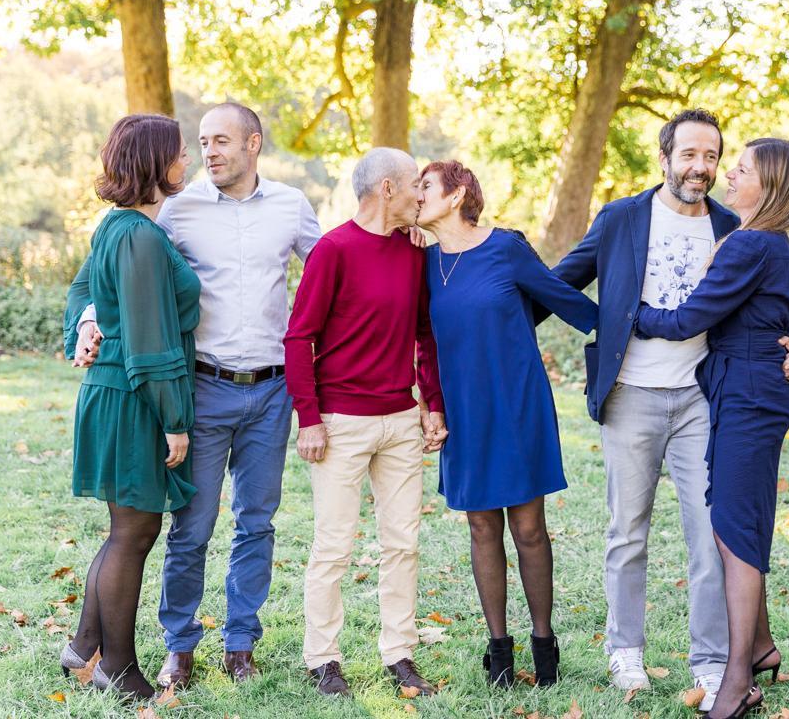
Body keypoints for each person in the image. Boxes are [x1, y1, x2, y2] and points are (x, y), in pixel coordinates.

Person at [543, 109, 789, 710]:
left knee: (710, 535)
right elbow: (561, 281)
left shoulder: (735, 222)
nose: (702, 167)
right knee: (627, 531)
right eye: (689, 154)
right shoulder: (621, 219)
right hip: (631, 393)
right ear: (664, 158)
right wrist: (524, 326)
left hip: (704, 397)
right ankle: (625, 651)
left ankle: (716, 661)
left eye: (713, 156)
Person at [66, 103, 322, 687]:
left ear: (253, 143)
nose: (207, 152)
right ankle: (179, 647)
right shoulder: (169, 209)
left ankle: (240, 643)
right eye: (200, 142)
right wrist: (87, 321)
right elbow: (97, 279)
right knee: (189, 526)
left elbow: (335, 269)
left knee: (257, 522)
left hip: (273, 389)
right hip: (198, 388)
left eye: (221, 141)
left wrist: (399, 234)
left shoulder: (291, 206)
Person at [634, 138, 789, 718]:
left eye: (742, 170)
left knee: (735, 525)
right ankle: (759, 645)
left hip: (748, 391)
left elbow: (691, 317)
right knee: (734, 517)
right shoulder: (774, 246)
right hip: (743, 388)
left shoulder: (750, 245)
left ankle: (737, 677)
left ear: (771, 187)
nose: (729, 175)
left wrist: (624, 315)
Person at [415, 160, 597, 687]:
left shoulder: (505, 247)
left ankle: (545, 645)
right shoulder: (422, 263)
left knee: (528, 528)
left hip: (517, 405)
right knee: (480, 526)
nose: (417, 196)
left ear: (456, 195)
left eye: (425, 187)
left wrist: (635, 331)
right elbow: (421, 341)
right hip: (464, 412)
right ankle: (499, 649)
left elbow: (564, 301)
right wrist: (431, 405)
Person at [285, 147, 448, 699]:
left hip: (400, 420)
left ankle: (399, 653)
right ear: (386, 189)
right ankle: (322, 658)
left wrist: (433, 405)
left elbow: (425, 335)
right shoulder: (332, 251)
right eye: (414, 187)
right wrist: (308, 418)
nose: (420, 196)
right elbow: (298, 337)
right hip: (340, 423)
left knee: (403, 543)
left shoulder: (414, 254)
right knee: (334, 547)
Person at [58, 114, 198, 699]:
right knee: (132, 535)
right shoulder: (139, 236)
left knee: (125, 532)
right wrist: (175, 420)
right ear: (155, 164)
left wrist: (90, 323)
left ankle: (82, 646)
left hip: (114, 393)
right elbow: (149, 341)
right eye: (179, 154)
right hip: (134, 398)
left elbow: (85, 290)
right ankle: (119, 667)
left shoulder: (118, 226)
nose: (186, 161)